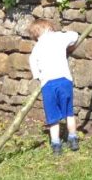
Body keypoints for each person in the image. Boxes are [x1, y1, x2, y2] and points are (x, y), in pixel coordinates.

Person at [28, 18, 80, 156]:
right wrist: (63, 33)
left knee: (53, 117)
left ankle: (56, 144)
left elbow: (33, 62)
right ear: (49, 27)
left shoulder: (37, 47)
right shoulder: (59, 37)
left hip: (48, 84)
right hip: (64, 81)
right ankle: (73, 138)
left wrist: (38, 76)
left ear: (36, 35)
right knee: (69, 113)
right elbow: (75, 36)